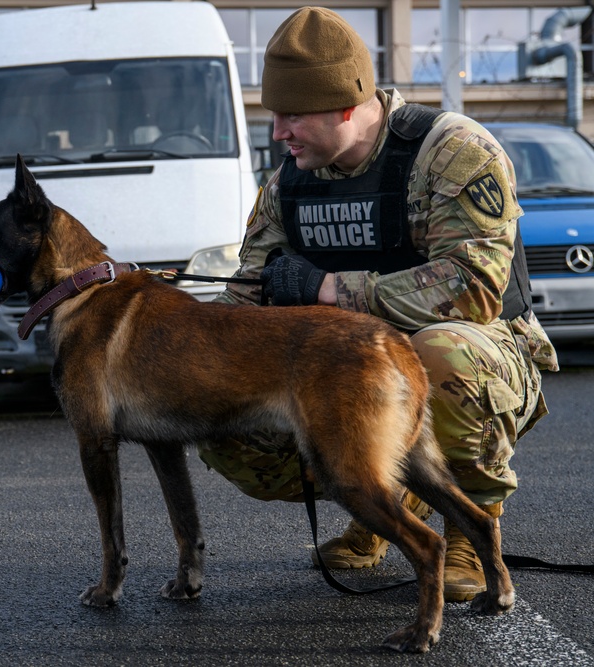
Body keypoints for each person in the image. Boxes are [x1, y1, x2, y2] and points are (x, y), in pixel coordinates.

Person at [198, 6, 559, 603]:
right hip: (352, 371)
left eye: (293, 116)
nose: (278, 132)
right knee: (213, 396)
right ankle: (382, 509)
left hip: (480, 351)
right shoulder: (288, 183)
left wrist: (327, 290)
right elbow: (245, 297)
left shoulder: (451, 151)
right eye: (274, 115)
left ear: (347, 103)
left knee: (438, 353)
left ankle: (471, 532)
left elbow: (472, 290)